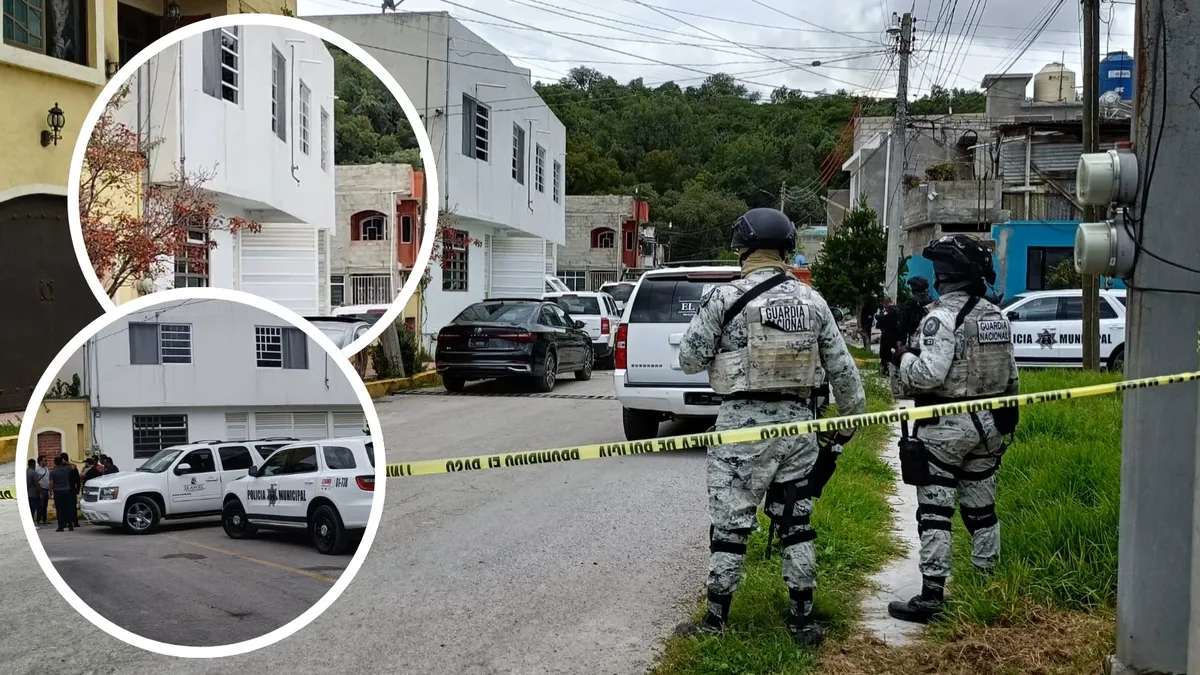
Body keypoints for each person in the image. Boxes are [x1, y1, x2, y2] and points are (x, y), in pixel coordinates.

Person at [675, 207, 866, 646]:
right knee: (797, 524)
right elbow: (846, 379)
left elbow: (688, 360)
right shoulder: (813, 302)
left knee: (730, 527)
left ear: (743, 248)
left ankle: (716, 621)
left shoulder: (723, 299)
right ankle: (802, 621)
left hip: (740, 431)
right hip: (799, 430)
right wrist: (843, 429)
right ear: (786, 250)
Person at [886, 234, 1020, 624]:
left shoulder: (939, 317)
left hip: (945, 428)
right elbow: (1011, 375)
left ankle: (932, 596)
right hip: (989, 425)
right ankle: (985, 588)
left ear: (943, 276)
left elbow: (928, 375)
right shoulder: (996, 316)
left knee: (934, 512)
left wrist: (904, 357)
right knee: (982, 512)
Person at [900, 276, 935, 342]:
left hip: (914, 335)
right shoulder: (931, 301)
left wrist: (901, 339)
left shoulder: (911, 302)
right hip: (929, 334)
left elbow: (903, 321)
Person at [875, 297, 901, 376]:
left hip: (887, 334)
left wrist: (876, 315)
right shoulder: (898, 310)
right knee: (895, 352)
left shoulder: (888, 310)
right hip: (896, 335)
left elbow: (881, 317)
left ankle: (884, 371)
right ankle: (896, 371)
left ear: (885, 303)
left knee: (884, 353)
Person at [48, 457, 75, 532]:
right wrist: (66, 462)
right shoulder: (66, 469)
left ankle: (61, 526)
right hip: (66, 490)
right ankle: (70, 526)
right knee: (67, 508)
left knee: (59, 509)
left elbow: (51, 483)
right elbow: (74, 465)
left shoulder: (53, 472)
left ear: (55, 462)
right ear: (61, 462)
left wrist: (50, 491)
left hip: (58, 491)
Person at [61, 453, 81, 528]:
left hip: (63, 489)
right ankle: (74, 521)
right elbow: (77, 479)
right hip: (72, 489)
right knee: (72, 506)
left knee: (64, 506)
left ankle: (65, 522)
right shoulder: (72, 468)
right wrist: (78, 489)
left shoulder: (60, 468)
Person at [34, 456, 50, 525]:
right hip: (41, 489)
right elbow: (36, 480)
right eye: (44, 460)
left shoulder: (46, 468)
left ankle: (44, 519)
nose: (46, 461)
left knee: (45, 505)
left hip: (46, 489)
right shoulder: (37, 469)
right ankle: (39, 519)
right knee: (40, 505)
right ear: (40, 461)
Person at [26, 459, 41, 524]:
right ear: (34, 464)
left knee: (29, 509)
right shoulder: (34, 473)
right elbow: (36, 483)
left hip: (27, 493)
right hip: (33, 493)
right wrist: (40, 493)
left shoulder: (25, 472)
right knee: (34, 508)